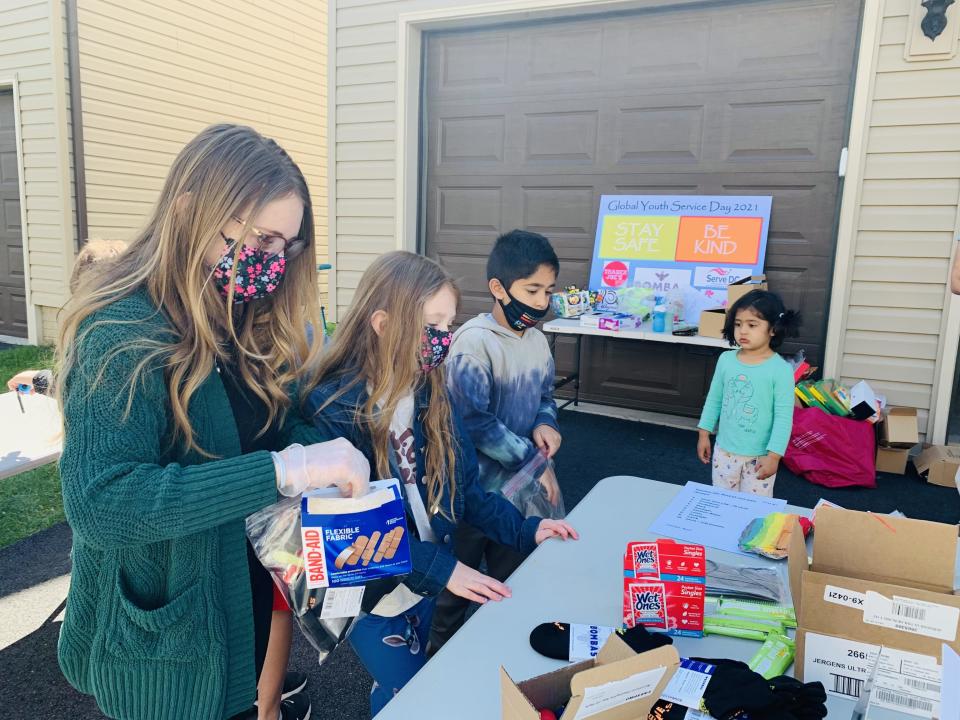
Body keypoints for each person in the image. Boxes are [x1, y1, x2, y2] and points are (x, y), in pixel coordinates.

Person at [54, 124, 370, 720]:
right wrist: (285, 470)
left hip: (241, 595)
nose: (274, 262)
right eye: (262, 239)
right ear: (192, 212)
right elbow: (102, 504)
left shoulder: (239, 318)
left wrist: (319, 453)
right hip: (166, 633)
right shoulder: (120, 334)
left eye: (288, 246)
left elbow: (275, 424)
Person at [303, 250, 578, 716]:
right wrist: (447, 571)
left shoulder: (431, 391)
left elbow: (466, 490)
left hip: (425, 578)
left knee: (400, 690)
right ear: (383, 323)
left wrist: (525, 529)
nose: (442, 340)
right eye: (432, 325)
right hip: (371, 593)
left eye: (447, 326)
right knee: (417, 693)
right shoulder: (331, 409)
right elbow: (352, 535)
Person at [430, 229, 563, 651]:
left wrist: (547, 423)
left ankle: (499, 655)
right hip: (471, 495)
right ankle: (435, 660)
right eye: (532, 290)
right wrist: (535, 461)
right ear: (498, 288)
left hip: (518, 496)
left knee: (511, 580)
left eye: (549, 290)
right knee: (456, 586)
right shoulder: (473, 343)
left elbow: (546, 396)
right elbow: (472, 422)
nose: (542, 302)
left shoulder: (539, 341)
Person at [696, 290, 800, 496]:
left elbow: (783, 418)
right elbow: (714, 399)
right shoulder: (726, 360)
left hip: (760, 457)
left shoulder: (781, 370)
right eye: (737, 324)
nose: (743, 331)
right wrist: (703, 433)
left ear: (773, 329)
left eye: (752, 325)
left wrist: (774, 456)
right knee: (722, 503)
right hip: (724, 451)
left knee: (754, 511)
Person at [6, 238, 127, 395]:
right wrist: (36, 379)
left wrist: (37, 378)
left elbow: (81, 391)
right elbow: (80, 382)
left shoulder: (102, 336)